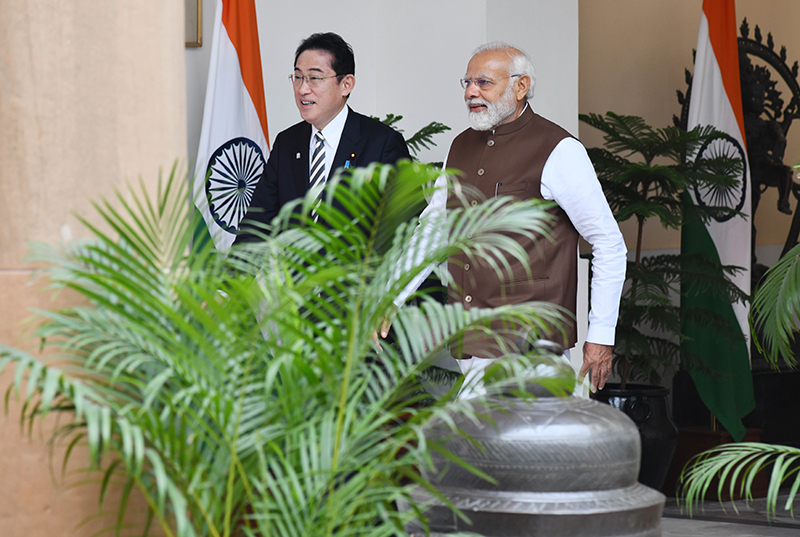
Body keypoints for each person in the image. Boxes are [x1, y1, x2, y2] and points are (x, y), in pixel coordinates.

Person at [386, 42, 627, 397]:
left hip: (532, 351)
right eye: (467, 82)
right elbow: (433, 230)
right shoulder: (460, 146)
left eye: (483, 82)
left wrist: (601, 336)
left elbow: (608, 242)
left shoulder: (559, 148)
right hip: (470, 342)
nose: (470, 92)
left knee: (532, 437)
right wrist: (392, 297)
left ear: (520, 86)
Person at [235, 32, 410, 243]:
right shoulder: (287, 143)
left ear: (346, 84)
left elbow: (404, 231)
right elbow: (256, 227)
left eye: (315, 78)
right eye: (298, 77)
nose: (302, 89)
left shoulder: (382, 144)